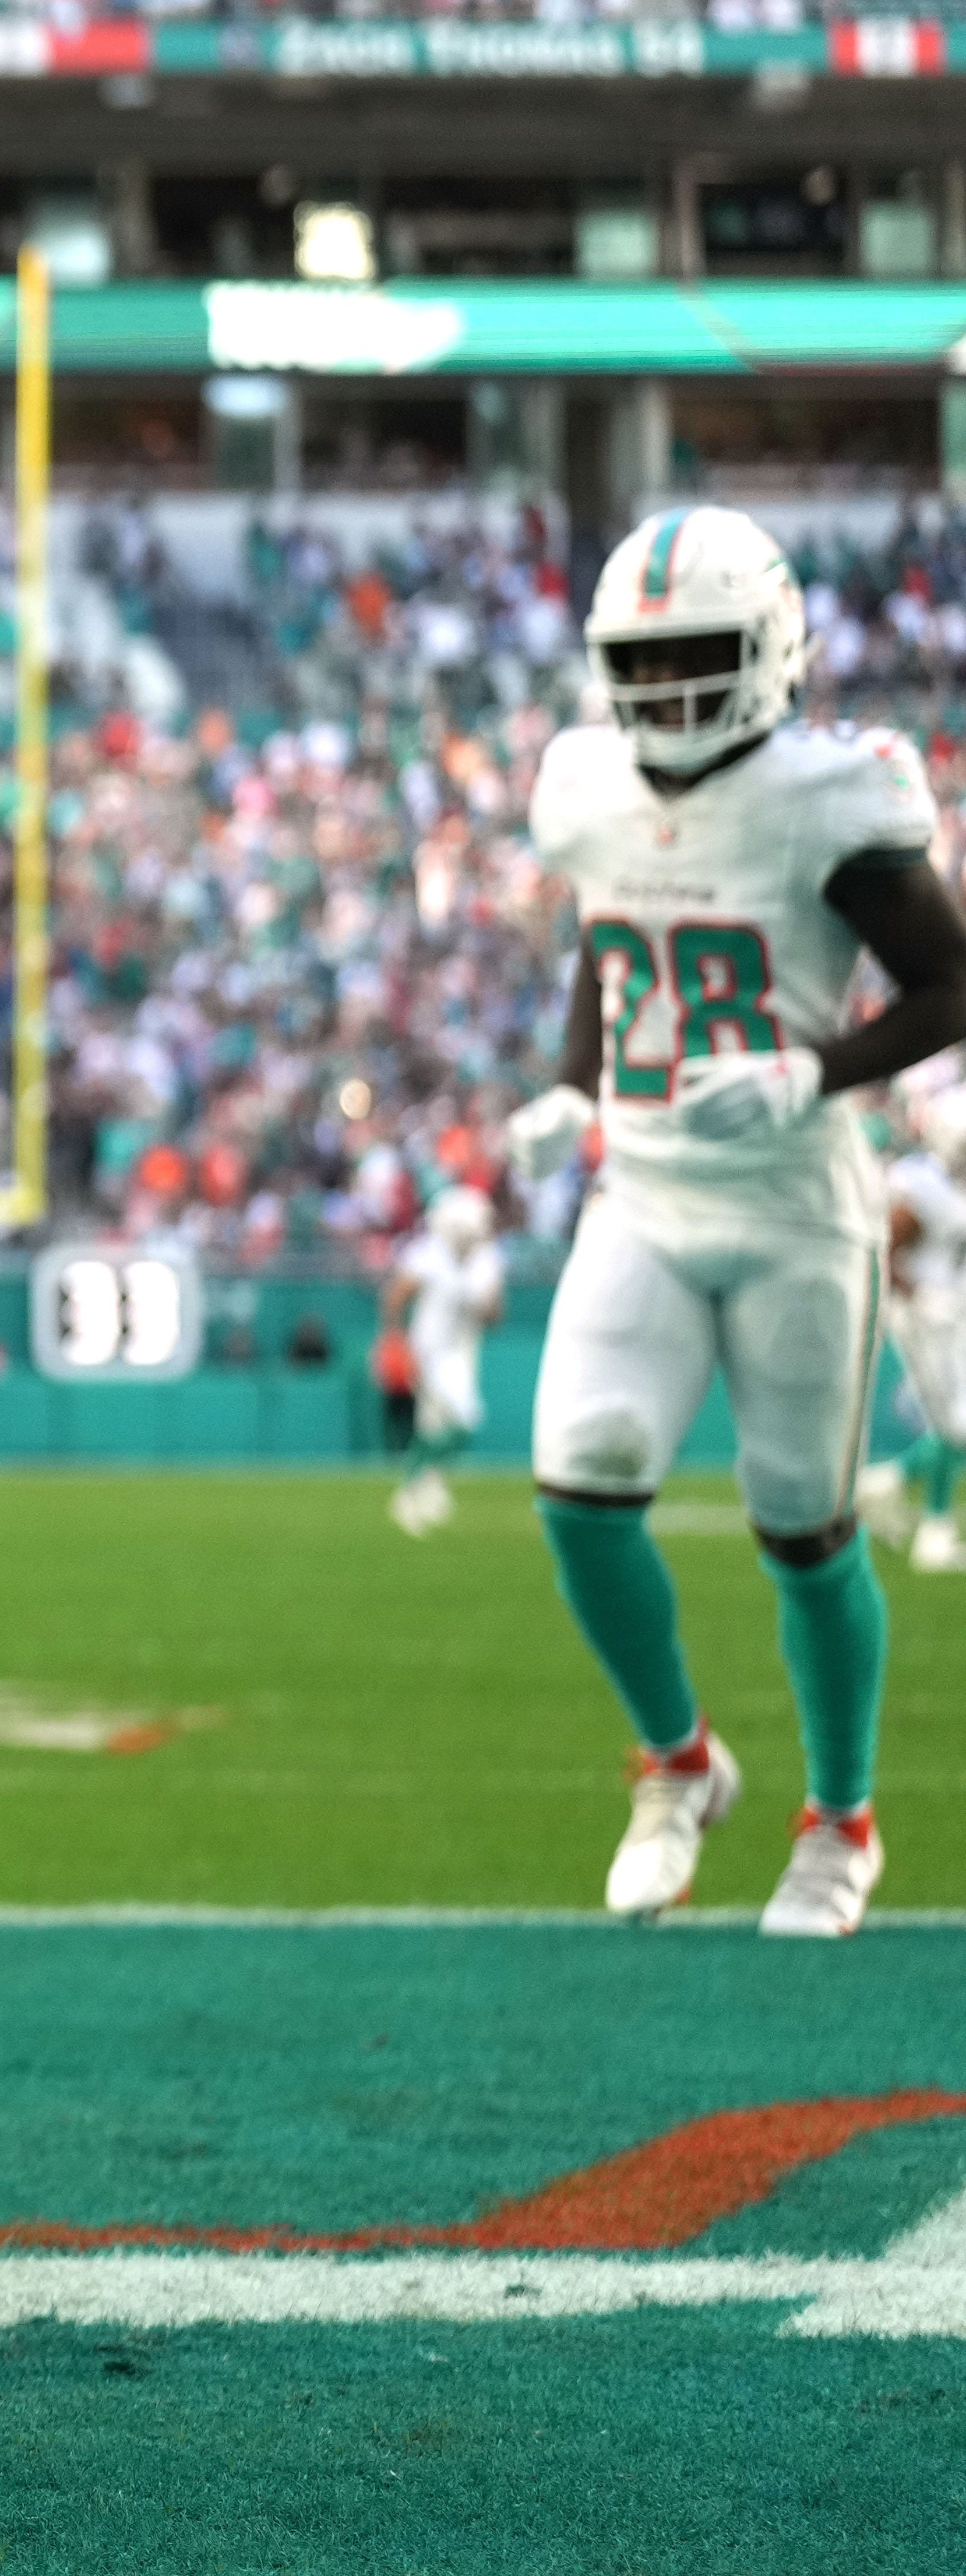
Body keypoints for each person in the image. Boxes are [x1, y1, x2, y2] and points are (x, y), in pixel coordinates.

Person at [500, 506, 964, 1942]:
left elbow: (952, 985)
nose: (664, 687)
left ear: (768, 649)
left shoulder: (831, 794)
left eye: (693, 653)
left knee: (804, 1529)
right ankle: (678, 1762)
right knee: (578, 1489)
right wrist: (574, 1084)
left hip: (793, 1209)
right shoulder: (585, 783)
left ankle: (839, 1821)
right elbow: (611, 934)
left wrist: (813, 1068)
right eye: (639, 660)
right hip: (641, 1188)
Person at [384, 1185, 509, 1535]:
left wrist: (486, 1304)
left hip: (462, 1350)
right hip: (429, 1351)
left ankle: (424, 1486)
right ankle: (411, 1488)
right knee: (464, 1419)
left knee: (445, 1425)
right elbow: (395, 1297)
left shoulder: (486, 1260)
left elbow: (495, 1317)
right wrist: (396, 1342)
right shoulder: (429, 1255)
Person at [883, 1097, 966, 1574]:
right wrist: (916, 1297)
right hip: (927, 1315)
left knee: (956, 1423)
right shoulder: (923, 1182)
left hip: (954, 1313)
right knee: (953, 1424)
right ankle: (934, 1533)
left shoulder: (953, 1186)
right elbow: (887, 1246)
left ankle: (890, 1483)